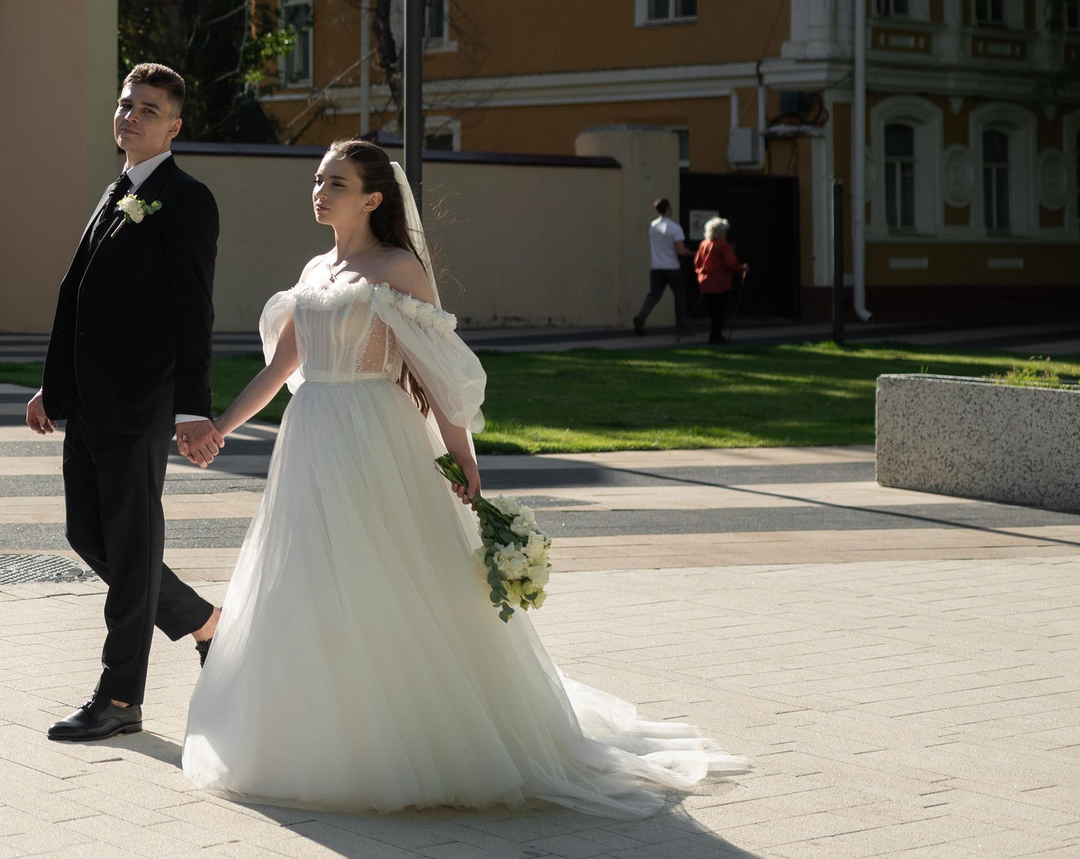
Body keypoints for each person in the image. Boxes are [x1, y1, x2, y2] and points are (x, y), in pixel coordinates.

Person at [179, 138, 745, 814]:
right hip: (311, 436)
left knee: (387, 574)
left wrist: (464, 459)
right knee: (308, 571)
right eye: (318, 178)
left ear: (373, 196)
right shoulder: (314, 269)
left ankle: (409, 737)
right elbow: (279, 372)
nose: (320, 189)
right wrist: (220, 425)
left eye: (335, 180)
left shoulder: (398, 268)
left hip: (375, 436)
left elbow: (436, 373)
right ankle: (312, 730)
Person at [26, 63, 223, 744]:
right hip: (87, 406)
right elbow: (78, 299)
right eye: (124, 103)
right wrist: (54, 388)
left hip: (138, 407)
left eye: (147, 107)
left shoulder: (184, 197)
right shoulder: (118, 192)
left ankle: (119, 698)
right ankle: (203, 621)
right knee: (90, 536)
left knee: (132, 551)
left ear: (174, 125)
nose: (130, 114)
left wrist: (192, 408)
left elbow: (192, 312)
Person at [633, 197, 691, 337]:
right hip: (672, 267)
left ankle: (641, 318)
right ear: (668, 209)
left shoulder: (653, 226)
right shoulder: (675, 227)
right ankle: (681, 327)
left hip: (656, 266)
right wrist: (696, 253)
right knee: (680, 296)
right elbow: (681, 250)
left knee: (654, 295)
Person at [694, 216, 746, 345]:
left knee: (713, 311)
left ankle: (714, 334)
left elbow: (697, 263)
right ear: (721, 232)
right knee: (719, 311)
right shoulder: (723, 245)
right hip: (720, 283)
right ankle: (716, 335)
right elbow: (731, 263)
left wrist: (702, 273)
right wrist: (742, 268)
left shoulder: (704, 244)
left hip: (705, 283)